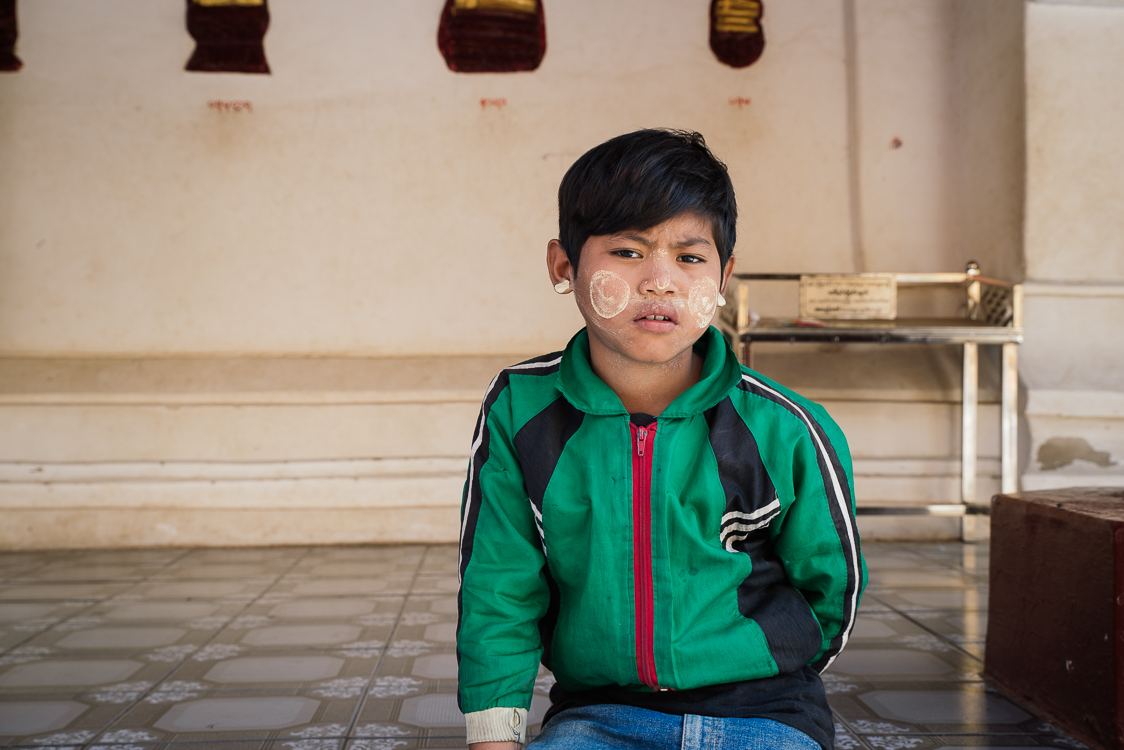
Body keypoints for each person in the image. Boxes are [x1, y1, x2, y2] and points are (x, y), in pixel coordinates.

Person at [457, 129, 866, 750]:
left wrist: (764, 664)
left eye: (690, 257)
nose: (659, 281)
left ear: (724, 275)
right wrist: (494, 736)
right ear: (564, 266)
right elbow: (498, 586)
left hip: (769, 710)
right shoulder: (522, 410)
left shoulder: (784, 427)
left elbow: (831, 590)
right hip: (598, 715)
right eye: (627, 251)